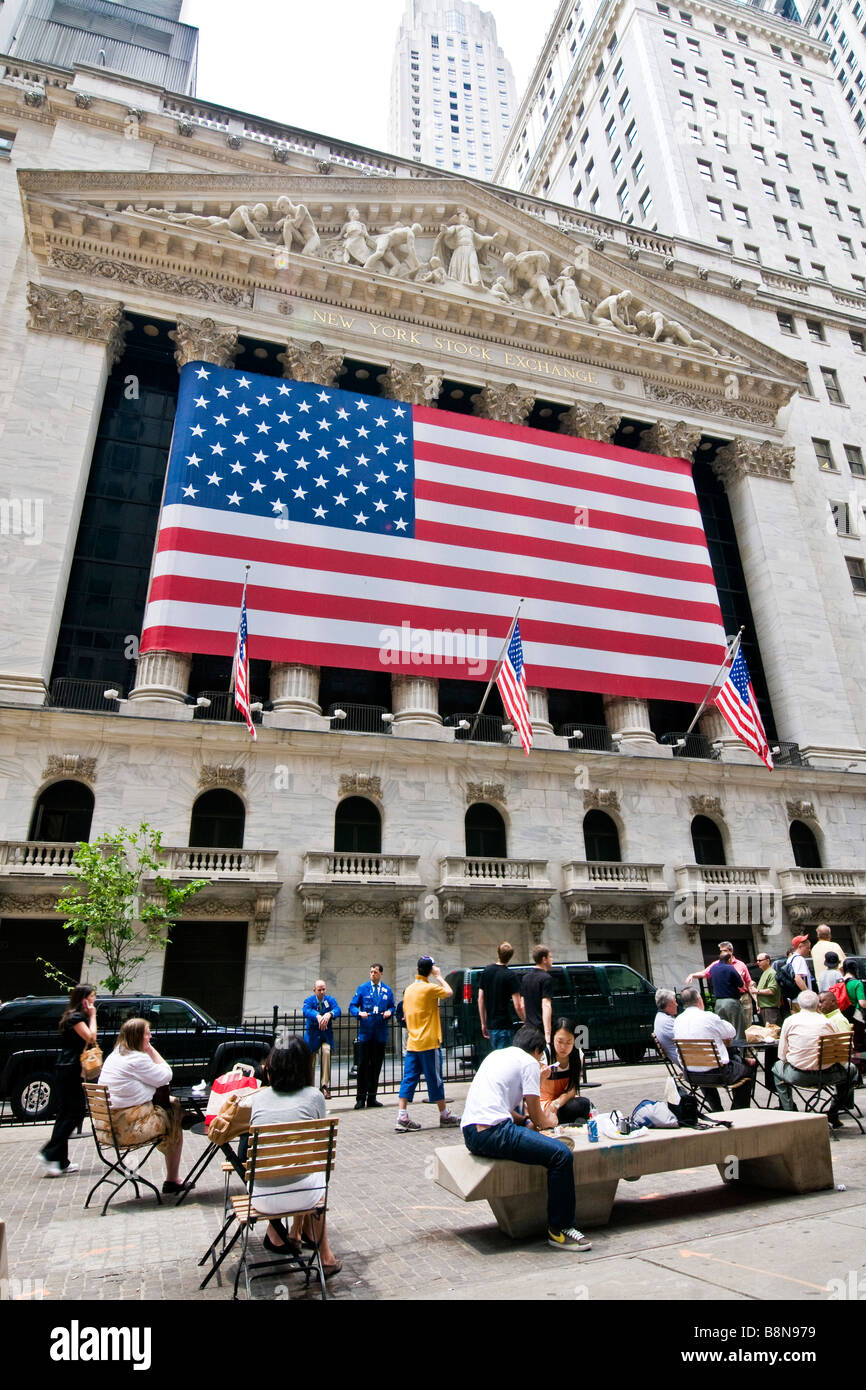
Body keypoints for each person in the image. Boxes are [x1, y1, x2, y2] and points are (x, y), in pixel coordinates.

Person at [461, 1023, 592, 1252]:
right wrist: (549, 1120)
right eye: (541, 1054)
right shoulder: (530, 1063)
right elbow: (538, 1116)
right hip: (493, 1132)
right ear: (537, 1051)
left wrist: (524, 1123)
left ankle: (559, 1226)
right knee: (561, 1155)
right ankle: (560, 1229)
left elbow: (510, 1110)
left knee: (542, 1144)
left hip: (472, 1131)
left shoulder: (496, 1056)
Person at [247, 1037, 340, 1279]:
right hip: (304, 1194)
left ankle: (293, 1234)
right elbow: (321, 1150)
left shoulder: (257, 1098)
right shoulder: (314, 1097)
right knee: (315, 1166)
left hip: (261, 1198)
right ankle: (325, 1255)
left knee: (303, 1164)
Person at [98, 1018, 185, 1193]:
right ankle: (172, 1179)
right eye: (147, 1034)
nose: (150, 1037)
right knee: (174, 1116)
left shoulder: (114, 1056)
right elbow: (166, 1074)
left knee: (171, 1105)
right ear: (138, 1037)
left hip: (106, 1127)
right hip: (127, 1128)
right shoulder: (137, 1059)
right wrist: (151, 1050)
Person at [772, 990, 859, 1128]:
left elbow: (782, 1056)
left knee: (776, 1067)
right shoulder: (828, 1022)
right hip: (829, 1075)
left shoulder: (789, 1021)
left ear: (799, 1005)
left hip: (799, 1076)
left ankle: (790, 1113)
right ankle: (834, 1111)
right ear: (817, 1005)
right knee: (851, 1070)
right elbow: (840, 1054)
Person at [38, 982, 98, 1176]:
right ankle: (49, 1152)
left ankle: (60, 1161)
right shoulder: (77, 1017)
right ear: (84, 1000)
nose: (94, 1001)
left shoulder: (71, 1017)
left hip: (66, 1067)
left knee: (65, 1113)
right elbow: (91, 1037)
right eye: (92, 997)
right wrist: (93, 1015)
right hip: (71, 1069)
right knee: (76, 1111)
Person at [395, 956, 459, 1132]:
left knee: (408, 1079)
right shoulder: (430, 988)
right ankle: (444, 1114)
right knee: (435, 1080)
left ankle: (402, 1115)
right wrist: (438, 976)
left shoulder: (408, 990)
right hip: (429, 1043)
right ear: (430, 970)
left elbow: (406, 1016)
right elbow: (449, 992)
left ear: (417, 969)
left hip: (413, 1042)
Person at [673, 987, 755, 1111]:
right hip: (718, 1074)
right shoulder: (708, 1017)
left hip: (691, 1074)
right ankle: (738, 1111)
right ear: (699, 1000)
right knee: (748, 1070)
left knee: (704, 1067)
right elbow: (731, 1032)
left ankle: (717, 1109)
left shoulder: (677, 1021)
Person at [348, 963, 395, 1110]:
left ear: (381, 973)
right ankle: (360, 1098)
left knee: (376, 1066)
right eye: (371, 972)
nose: (372, 974)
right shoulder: (363, 988)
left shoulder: (387, 990)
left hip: (380, 1033)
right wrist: (358, 1013)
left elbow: (392, 1006)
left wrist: (390, 1012)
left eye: (375, 972)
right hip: (366, 1033)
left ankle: (372, 1097)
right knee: (362, 1067)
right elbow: (352, 1006)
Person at [540, 1019, 591, 1126]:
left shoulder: (577, 1055)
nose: (564, 1047)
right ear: (552, 1038)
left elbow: (572, 1090)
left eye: (569, 1042)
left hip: (561, 1103)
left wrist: (557, 1103)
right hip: (543, 1104)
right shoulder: (545, 1055)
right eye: (560, 1041)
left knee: (583, 1104)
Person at [686, 949, 746, 1038]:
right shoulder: (730, 968)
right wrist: (740, 976)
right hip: (731, 1002)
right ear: (729, 960)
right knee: (738, 1030)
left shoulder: (713, 968)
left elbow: (704, 974)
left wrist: (692, 975)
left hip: (718, 1003)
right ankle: (740, 1052)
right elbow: (741, 985)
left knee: (723, 1031)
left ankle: (729, 1051)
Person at [478, 942, 523, 1051]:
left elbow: (480, 999)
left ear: (498, 953)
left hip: (491, 1025)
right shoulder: (511, 976)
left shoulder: (487, 971)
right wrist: (526, 1020)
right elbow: (517, 1005)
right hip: (505, 1025)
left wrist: (483, 1023)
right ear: (510, 957)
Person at [302, 979, 341, 1100]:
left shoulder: (330, 1000)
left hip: (325, 1036)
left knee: (326, 1051)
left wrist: (330, 1014)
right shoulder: (309, 1001)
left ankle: (324, 1085)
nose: (322, 992)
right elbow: (306, 1011)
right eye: (319, 990)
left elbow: (337, 1009)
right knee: (310, 1061)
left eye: (324, 989)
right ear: (314, 990)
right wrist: (317, 1016)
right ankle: (309, 1086)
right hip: (312, 1037)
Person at [520, 944, 556, 1049]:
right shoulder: (546, 978)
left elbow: (522, 1005)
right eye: (550, 957)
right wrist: (548, 1033)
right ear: (544, 959)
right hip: (541, 1029)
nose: (552, 959)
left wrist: (526, 1021)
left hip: (530, 1028)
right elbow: (546, 1005)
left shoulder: (525, 978)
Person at [754, 952, 782, 1027]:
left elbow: (771, 991)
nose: (758, 962)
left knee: (772, 1033)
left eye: (760, 960)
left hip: (770, 1008)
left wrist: (757, 991)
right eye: (757, 961)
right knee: (769, 1032)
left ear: (768, 961)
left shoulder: (772, 973)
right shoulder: (764, 973)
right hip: (764, 1007)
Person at [653, 988, 679, 1064]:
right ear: (669, 1004)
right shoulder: (666, 1021)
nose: (677, 1004)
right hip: (689, 1062)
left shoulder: (660, 1017)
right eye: (675, 1002)